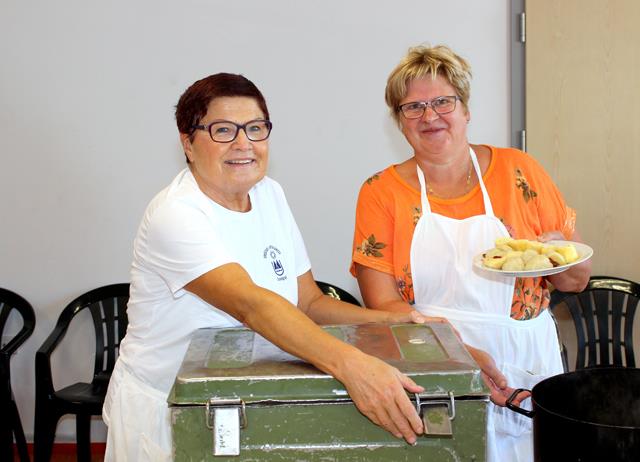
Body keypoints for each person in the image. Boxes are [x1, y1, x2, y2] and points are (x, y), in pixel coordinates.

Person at [102, 72, 511, 461]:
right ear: (188, 143)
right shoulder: (176, 214)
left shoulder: (269, 194)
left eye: (255, 128)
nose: (243, 144)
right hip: (171, 408)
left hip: (243, 396)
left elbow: (308, 302)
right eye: (223, 130)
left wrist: (402, 324)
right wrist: (353, 366)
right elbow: (252, 306)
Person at [351, 45, 592, 462]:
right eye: (413, 107)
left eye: (443, 102)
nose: (430, 116)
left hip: (525, 359)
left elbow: (577, 280)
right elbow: (382, 304)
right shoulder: (381, 192)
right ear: (399, 121)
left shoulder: (520, 171)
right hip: (435, 356)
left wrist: (555, 253)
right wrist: (456, 351)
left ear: (465, 109)